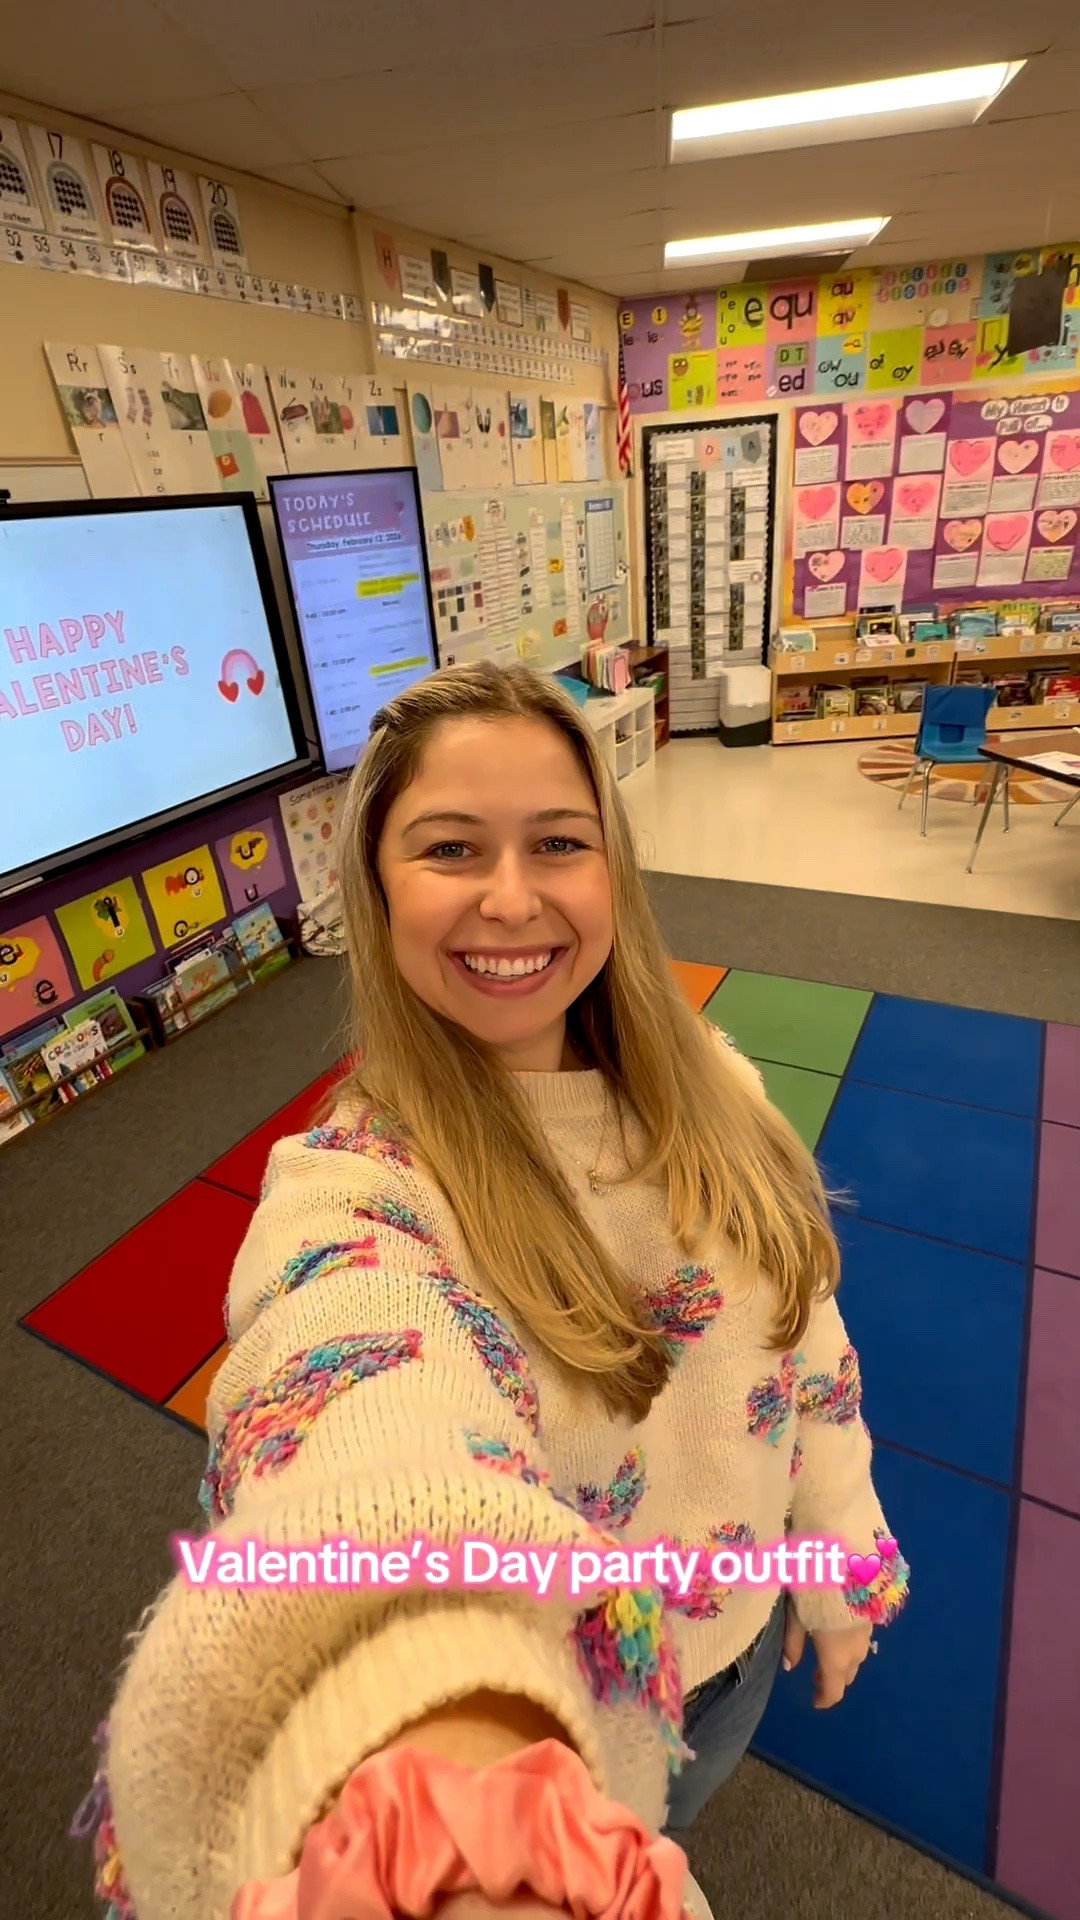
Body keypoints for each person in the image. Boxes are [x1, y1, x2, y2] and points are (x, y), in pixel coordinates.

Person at [82, 662, 908, 1918]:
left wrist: (841, 1557)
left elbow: (805, 1343)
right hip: (563, 1702)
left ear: (611, 872)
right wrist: (451, 1815)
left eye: (558, 844)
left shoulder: (718, 1087)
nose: (511, 899)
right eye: (450, 848)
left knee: (681, 1811)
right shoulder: (357, 1190)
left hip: (735, 1654)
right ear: (377, 888)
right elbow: (359, 1401)